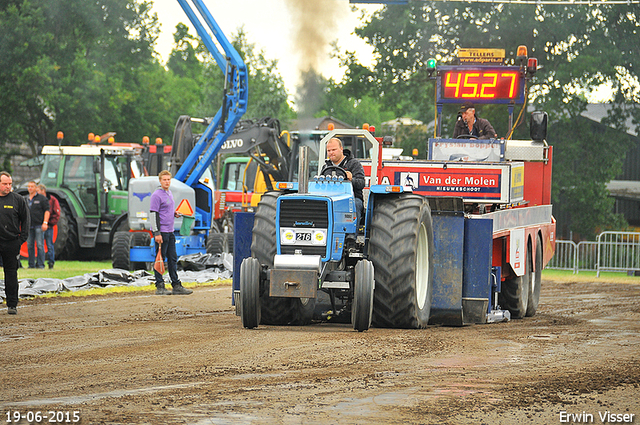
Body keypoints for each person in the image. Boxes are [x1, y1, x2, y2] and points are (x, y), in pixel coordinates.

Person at [150, 170, 192, 295]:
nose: (167, 182)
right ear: (160, 181)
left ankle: (176, 285)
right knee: (160, 259)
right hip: (161, 232)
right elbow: (153, 214)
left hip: (170, 231)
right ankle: (160, 286)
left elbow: (166, 209)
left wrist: (174, 213)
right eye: (164, 180)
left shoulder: (169, 193)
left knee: (173, 258)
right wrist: (156, 233)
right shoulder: (156, 195)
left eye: (168, 180)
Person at [0, 172, 30, 314]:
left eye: (10, 184)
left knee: (11, 274)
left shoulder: (17, 200)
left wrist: (21, 240)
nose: (8, 187)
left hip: (11, 242)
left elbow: (26, 220)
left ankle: (12, 304)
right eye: (5, 184)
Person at [320, 137, 366, 226]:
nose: (331, 153)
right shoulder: (325, 167)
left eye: (334, 150)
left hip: (351, 198)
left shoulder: (353, 164)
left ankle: (351, 235)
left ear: (341, 149)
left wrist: (351, 179)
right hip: (330, 198)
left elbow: (361, 184)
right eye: (329, 151)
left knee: (354, 205)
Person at [25, 180, 49, 269]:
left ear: (36, 188)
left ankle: (40, 264)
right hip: (29, 225)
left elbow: (47, 211)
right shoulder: (25, 199)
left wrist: (45, 222)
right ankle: (31, 265)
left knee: (40, 245)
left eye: (32, 186)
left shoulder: (42, 198)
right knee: (29, 245)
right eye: (29, 186)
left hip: (39, 225)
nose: (30, 188)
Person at [37, 184, 60, 269]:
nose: (37, 193)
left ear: (43, 190)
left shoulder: (52, 200)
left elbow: (57, 213)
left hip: (49, 226)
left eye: (38, 191)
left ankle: (51, 262)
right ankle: (40, 263)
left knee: (49, 245)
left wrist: (49, 223)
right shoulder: (37, 199)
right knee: (40, 245)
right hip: (39, 225)